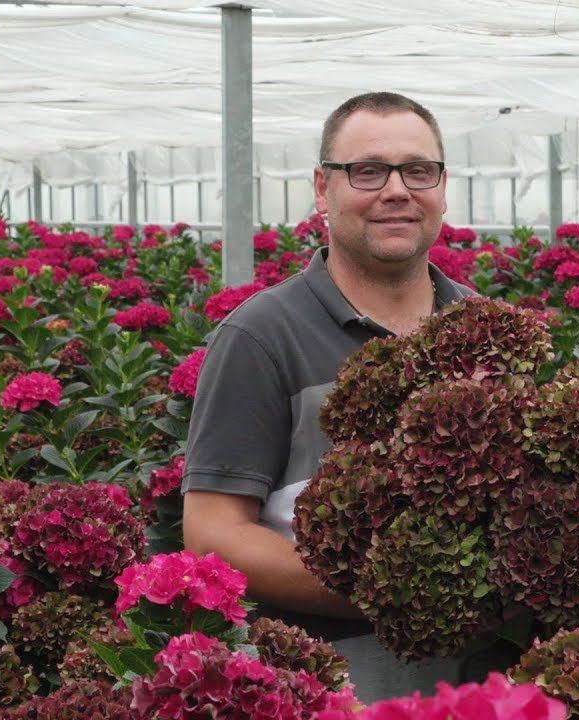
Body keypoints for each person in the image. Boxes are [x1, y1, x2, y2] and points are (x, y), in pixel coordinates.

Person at [181, 91, 476, 702]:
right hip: (332, 680)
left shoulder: (487, 328)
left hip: (481, 671)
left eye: (418, 170)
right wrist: (395, 592)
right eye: (366, 171)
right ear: (322, 189)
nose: (396, 190)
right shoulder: (259, 336)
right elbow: (212, 532)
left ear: (443, 188)